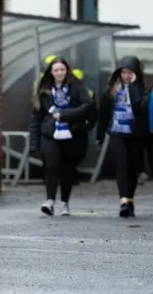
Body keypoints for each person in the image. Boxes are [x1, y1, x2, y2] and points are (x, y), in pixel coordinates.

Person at [30, 57, 95, 216]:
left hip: (71, 134)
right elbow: (36, 118)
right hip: (49, 134)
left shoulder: (76, 88)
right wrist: (34, 143)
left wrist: (64, 115)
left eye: (62, 70)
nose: (60, 73)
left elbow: (87, 106)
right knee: (51, 166)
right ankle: (50, 201)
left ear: (67, 71)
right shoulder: (44, 91)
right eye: (56, 70)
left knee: (67, 169)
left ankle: (65, 203)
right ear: (51, 73)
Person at [96, 56, 148, 218]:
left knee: (133, 168)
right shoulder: (110, 90)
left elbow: (140, 108)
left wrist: (132, 87)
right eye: (123, 72)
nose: (126, 76)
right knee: (122, 165)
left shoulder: (143, 91)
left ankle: (130, 199)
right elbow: (103, 114)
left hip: (135, 135)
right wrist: (100, 135)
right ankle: (124, 200)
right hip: (116, 133)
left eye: (130, 72)